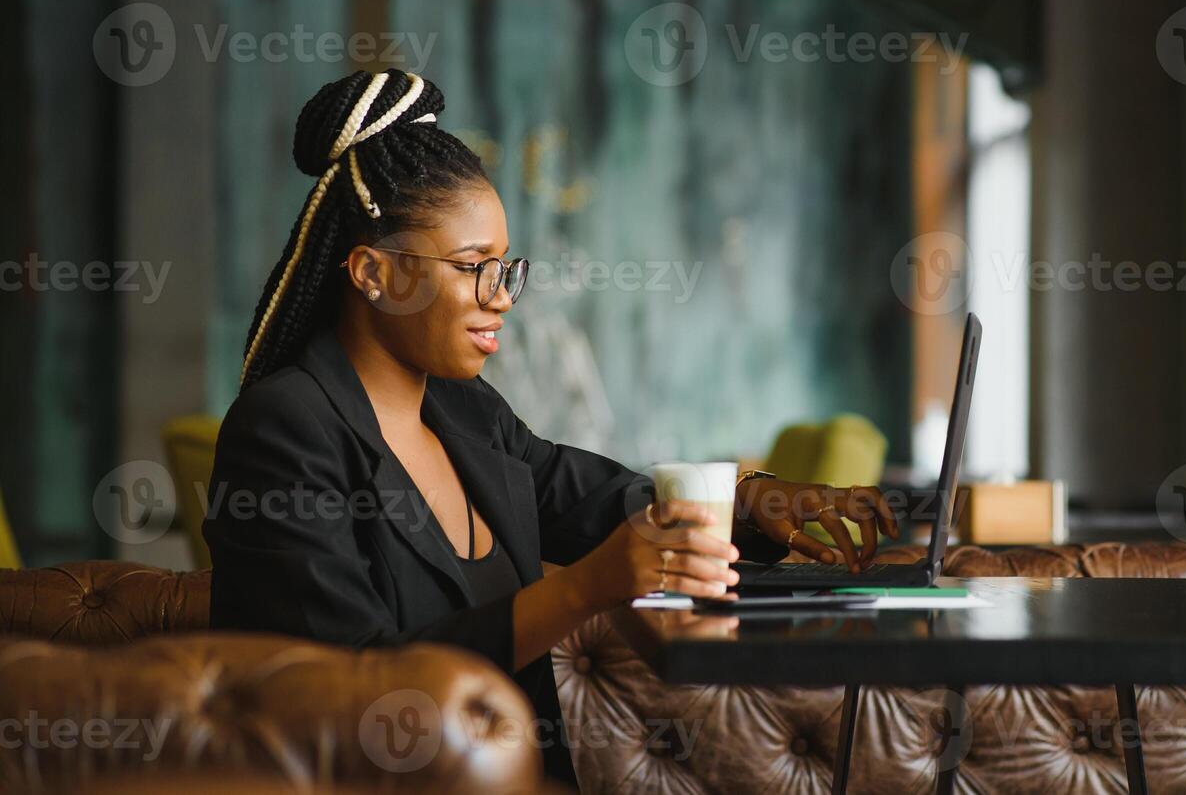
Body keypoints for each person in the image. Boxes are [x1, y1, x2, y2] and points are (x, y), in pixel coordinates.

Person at [203, 68, 900, 789]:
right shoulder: (285, 430)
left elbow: (599, 502)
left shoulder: (465, 411)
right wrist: (579, 592)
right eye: (473, 267)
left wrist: (756, 500)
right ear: (374, 273)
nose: (501, 298)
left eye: (505, 267)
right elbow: (352, 679)